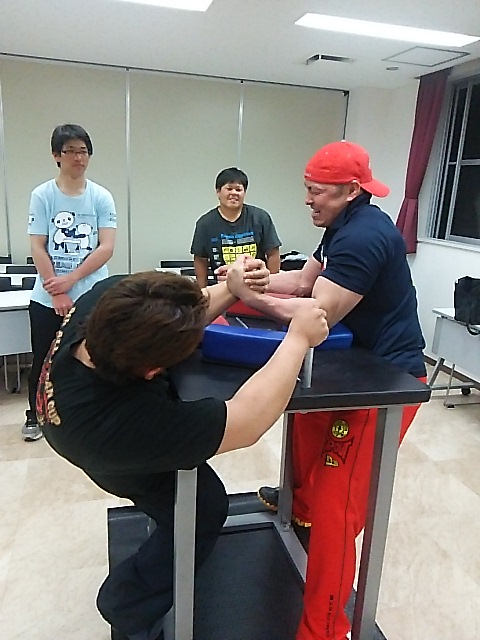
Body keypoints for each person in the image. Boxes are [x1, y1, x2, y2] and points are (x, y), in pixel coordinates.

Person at [36, 257, 329, 640]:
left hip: (92, 416)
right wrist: (299, 338)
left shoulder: (109, 300)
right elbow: (248, 421)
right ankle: (128, 604)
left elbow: (187, 309)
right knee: (203, 506)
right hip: (100, 448)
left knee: (199, 499)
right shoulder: (124, 425)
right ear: (151, 372)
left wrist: (233, 287)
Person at [218, 141, 427, 640]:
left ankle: (325, 629)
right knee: (304, 433)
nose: (308, 200)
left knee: (338, 509)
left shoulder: (366, 236)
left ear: (351, 190)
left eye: (316, 192)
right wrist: (261, 278)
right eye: (307, 190)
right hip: (350, 364)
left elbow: (318, 312)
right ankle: (300, 510)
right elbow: (302, 283)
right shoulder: (340, 225)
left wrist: (247, 296)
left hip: (386, 383)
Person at [22, 123, 117, 441]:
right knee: (44, 358)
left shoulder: (101, 197)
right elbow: (38, 246)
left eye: (83, 151)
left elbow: (106, 247)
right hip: (47, 296)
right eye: (71, 151)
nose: (79, 157)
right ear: (56, 156)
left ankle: (88, 414)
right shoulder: (43, 195)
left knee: (93, 356)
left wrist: (72, 280)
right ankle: (35, 415)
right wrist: (56, 290)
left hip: (91, 294)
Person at [190, 166, 282, 288]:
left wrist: (271, 285)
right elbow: (200, 259)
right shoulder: (205, 223)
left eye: (238, 189)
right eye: (229, 189)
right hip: (223, 287)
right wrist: (202, 291)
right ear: (218, 192)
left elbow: (273, 253)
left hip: (255, 285)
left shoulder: (260, 217)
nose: (234, 193)